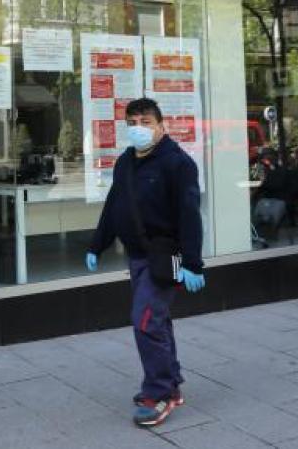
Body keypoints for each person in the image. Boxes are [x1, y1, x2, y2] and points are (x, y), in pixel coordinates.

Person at [84, 98, 205, 429]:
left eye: (146, 122)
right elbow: (114, 205)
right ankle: (171, 383)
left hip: (166, 256)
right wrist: (97, 244)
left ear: (161, 126)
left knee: (146, 321)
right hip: (137, 256)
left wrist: (193, 263)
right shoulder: (126, 161)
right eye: (133, 122)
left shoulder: (178, 164)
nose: (139, 128)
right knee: (157, 321)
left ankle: (159, 392)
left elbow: (189, 215)